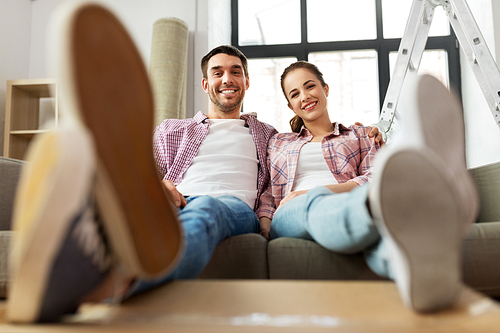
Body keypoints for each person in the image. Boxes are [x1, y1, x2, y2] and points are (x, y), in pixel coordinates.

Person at [7, 3, 385, 323]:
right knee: (149, 200)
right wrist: (157, 186)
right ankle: (77, 234)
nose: (227, 79)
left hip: (233, 207)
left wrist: (370, 133)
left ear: (247, 82)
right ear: (205, 84)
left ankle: (114, 280)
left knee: (207, 209)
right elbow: (144, 174)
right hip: (175, 200)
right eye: (217, 73)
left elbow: (282, 178)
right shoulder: (172, 130)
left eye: (235, 72)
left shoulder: (269, 134)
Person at [259, 60, 479, 312]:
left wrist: (331, 190)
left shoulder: (361, 135)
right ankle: (389, 201)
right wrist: (265, 223)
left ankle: (430, 274)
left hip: (346, 202)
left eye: (310, 86)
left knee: (387, 238)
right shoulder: (278, 142)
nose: (305, 96)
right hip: (292, 211)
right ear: (290, 105)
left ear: (326, 88)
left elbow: (374, 176)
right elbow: (267, 191)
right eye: (295, 94)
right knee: (324, 203)